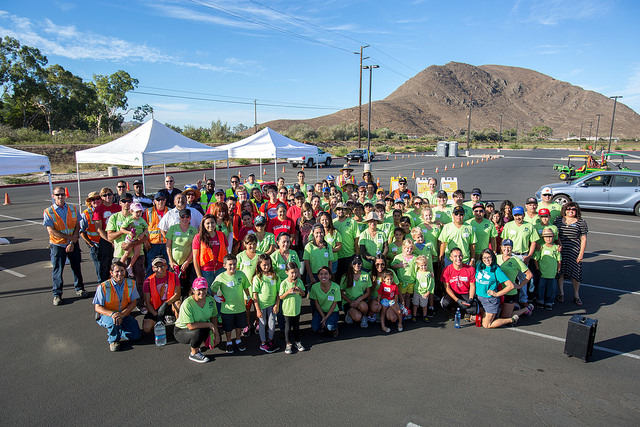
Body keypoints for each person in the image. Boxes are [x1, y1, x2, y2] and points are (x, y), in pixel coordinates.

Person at [44, 186, 86, 305]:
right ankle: (57, 294)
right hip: (58, 245)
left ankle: (80, 288)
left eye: (62, 194)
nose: (60, 197)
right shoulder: (49, 211)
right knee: (58, 270)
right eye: (58, 195)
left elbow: (78, 224)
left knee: (76, 267)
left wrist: (73, 241)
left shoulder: (72, 208)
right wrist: (69, 239)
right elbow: (51, 230)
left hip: (73, 243)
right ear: (53, 196)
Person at [106, 194, 146, 307]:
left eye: (129, 201)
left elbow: (146, 237)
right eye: (124, 201)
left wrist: (131, 244)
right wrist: (124, 231)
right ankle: (118, 305)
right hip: (120, 254)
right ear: (120, 203)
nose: (127, 204)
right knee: (118, 281)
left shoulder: (139, 217)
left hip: (137, 254)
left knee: (139, 281)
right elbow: (110, 237)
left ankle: (140, 304)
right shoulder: (114, 217)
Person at [93, 261, 141, 351]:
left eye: (122, 271)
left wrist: (123, 314)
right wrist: (112, 314)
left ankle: (119, 329)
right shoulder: (103, 287)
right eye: (117, 271)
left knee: (136, 336)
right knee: (113, 322)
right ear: (111, 273)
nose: (120, 274)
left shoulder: (131, 283)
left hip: (123, 313)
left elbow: (133, 302)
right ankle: (113, 340)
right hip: (108, 314)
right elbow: (98, 307)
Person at [174, 277, 220, 363]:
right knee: (198, 333)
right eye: (198, 289)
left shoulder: (211, 300)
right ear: (193, 290)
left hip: (200, 325)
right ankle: (194, 353)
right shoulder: (187, 304)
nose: (202, 292)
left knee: (214, 335)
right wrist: (209, 325)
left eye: (204, 289)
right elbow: (190, 326)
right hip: (182, 330)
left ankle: (197, 343)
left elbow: (214, 316)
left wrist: (216, 333)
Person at [211, 254, 251, 353]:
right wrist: (215, 296)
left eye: (234, 264)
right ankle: (229, 342)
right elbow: (213, 288)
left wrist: (248, 296)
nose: (232, 266)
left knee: (239, 326)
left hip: (240, 307)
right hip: (227, 309)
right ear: (224, 266)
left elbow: (246, 286)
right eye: (230, 265)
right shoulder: (221, 277)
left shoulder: (241, 274)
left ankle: (238, 340)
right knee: (228, 328)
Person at [500, 206, 538, 304]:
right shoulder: (508, 225)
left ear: (523, 215)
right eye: (516, 215)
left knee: (523, 279)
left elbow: (533, 242)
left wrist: (529, 256)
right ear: (513, 215)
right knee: (508, 278)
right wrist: (503, 255)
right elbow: (504, 240)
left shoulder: (529, 226)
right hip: (510, 255)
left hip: (523, 256)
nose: (518, 217)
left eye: (519, 215)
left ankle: (523, 299)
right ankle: (506, 299)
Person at [474, 249, 521, 328]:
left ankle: (511, 319)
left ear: (493, 257)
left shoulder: (496, 270)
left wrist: (497, 294)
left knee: (486, 325)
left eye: (489, 257)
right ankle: (495, 314)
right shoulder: (479, 265)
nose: (487, 260)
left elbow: (510, 286)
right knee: (474, 319)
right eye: (484, 258)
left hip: (490, 300)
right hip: (479, 299)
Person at [554, 202, 588, 306]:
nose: (570, 211)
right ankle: (561, 292)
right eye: (568, 209)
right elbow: (555, 233)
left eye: (573, 209)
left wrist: (581, 253)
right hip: (561, 250)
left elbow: (583, 238)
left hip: (574, 251)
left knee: (575, 273)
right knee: (560, 271)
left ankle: (576, 295)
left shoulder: (581, 222)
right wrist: (559, 243)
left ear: (577, 211)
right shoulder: (559, 220)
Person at [496, 239, 534, 321]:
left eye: (509, 247)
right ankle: (514, 306)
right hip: (498, 290)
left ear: (512, 248)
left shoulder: (516, 260)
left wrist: (520, 286)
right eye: (505, 246)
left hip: (510, 292)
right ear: (501, 247)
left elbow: (529, 275)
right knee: (495, 315)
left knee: (504, 317)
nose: (507, 249)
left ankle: (526, 309)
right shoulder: (496, 257)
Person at [142, 256, 181, 334]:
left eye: (162, 266)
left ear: (166, 266)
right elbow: (147, 302)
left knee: (178, 304)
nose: (159, 269)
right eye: (156, 267)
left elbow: (177, 295)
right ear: (153, 268)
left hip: (169, 304)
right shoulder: (148, 281)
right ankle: (159, 321)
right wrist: (156, 315)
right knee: (147, 328)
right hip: (155, 307)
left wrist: (166, 304)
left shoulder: (174, 276)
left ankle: (179, 328)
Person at [252, 254, 280, 353]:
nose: (266, 267)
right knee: (262, 324)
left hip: (272, 305)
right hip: (262, 305)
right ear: (259, 265)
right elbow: (254, 295)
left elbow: (278, 292)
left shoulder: (275, 276)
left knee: (272, 324)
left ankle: (270, 340)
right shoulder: (257, 278)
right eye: (264, 265)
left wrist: (277, 304)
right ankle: (263, 342)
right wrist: (258, 309)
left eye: (268, 264)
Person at [166, 208, 197, 295]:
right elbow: (168, 245)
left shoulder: (193, 230)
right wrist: (171, 261)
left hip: (187, 264)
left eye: (187, 217)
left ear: (190, 218)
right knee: (172, 286)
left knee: (185, 287)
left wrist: (187, 261)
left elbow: (194, 248)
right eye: (182, 217)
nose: (185, 219)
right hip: (174, 264)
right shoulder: (173, 228)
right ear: (179, 218)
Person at [440, 248, 478, 319]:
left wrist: (470, 299)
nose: (458, 258)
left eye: (460, 256)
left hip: (465, 293)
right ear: (451, 258)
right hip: (453, 293)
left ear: (462, 256)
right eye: (455, 256)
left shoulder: (470, 269)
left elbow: (472, 285)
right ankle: (452, 309)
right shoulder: (446, 270)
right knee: (446, 303)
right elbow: (447, 288)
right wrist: (457, 300)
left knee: (473, 310)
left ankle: (466, 311)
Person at [93, 187, 121, 281]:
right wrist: (110, 240)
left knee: (118, 263)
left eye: (109, 194)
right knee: (105, 264)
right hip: (106, 240)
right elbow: (99, 229)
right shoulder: (99, 210)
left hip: (118, 238)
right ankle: (103, 284)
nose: (107, 197)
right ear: (101, 197)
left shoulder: (118, 208)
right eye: (104, 195)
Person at [193, 214, 228, 286]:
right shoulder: (198, 237)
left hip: (220, 269)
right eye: (207, 223)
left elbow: (226, 253)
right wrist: (199, 275)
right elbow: (195, 257)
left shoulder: (222, 235)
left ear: (216, 223)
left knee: (219, 293)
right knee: (208, 293)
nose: (210, 225)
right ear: (203, 224)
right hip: (206, 271)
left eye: (212, 222)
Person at [279, 263, 306, 354]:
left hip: (296, 309)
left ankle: (297, 341)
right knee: (287, 327)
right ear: (287, 272)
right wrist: (288, 292)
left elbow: (303, 294)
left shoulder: (299, 282)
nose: (294, 275)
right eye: (292, 273)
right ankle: (288, 343)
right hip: (287, 310)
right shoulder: (284, 283)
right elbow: (281, 296)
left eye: (296, 272)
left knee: (296, 327)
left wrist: (300, 290)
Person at [340, 255, 372, 328]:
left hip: (360, 301)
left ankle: (364, 317)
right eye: (354, 263)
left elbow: (368, 292)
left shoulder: (366, 275)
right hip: (349, 302)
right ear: (351, 264)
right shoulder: (345, 276)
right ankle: (349, 313)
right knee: (357, 317)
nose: (357, 265)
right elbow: (341, 292)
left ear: (362, 264)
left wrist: (358, 300)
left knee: (364, 306)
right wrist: (350, 302)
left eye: (359, 263)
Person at [534, 228, 562, 310]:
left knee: (551, 288)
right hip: (543, 272)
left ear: (553, 237)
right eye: (546, 237)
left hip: (552, 273)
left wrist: (558, 270)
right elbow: (536, 259)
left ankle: (549, 302)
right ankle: (540, 300)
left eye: (550, 236)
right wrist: (537, 269)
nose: (548, 238)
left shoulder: (556, 248)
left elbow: (559, 260)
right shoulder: (541, 247)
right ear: (543, 238)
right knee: (541, 287)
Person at [309, 266, 341, 337]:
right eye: (321, 274)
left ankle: (334, 327)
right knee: (315, 328)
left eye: (326, 274)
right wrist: (323, 316)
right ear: (318, 276)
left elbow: (334, 304)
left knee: (330, 327)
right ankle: (324, 323)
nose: (323, 276)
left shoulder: (336, 287)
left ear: (330, 276)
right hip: (320, 311)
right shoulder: (314, 287)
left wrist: (326, 317)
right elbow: (316, 303)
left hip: (332, 311)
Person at [118, 202, 148, 277]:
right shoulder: (129, 219)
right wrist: (128, 232)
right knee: (127, 253)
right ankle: (120, 265)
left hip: (138, 240)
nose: (139, 214)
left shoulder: (141, 220)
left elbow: (146, 228)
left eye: (140, 212)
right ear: (131, 212)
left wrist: (142, 234)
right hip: (130, 239)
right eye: (137, 212)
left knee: (137, 253)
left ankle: (130, 266)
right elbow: (122, 229)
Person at [143, 192, 169, 277]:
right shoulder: (148, 212)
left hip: (167, 244)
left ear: (165, 200)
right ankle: (149, 286)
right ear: (154, 201)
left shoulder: (170, 211)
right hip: (153, 245)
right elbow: (143, 228)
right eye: (158, 200)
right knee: (151, 267)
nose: (160, 202)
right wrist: (146, 241)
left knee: (166, 266)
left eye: (162, 199)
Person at [80, 191, 102, 282]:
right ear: (89, 202)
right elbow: (82, 230)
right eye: (93, 199)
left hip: (107, 243)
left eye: (97, 198)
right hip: (95, 245)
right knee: (99, 268)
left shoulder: (105, 210)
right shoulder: (85, 214)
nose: (95, 201)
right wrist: (90, 243)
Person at [413, 255, 435, 322]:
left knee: (424, 305)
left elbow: (431, 284)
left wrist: (428, 291)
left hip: (425, 292)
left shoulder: (428, 274)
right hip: (417, 291)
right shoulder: (416, 273)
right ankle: (414, 315)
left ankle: (425, 315)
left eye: (425, 265)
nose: (423, 267)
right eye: (421, 265)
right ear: (418, 265)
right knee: (415, 305)